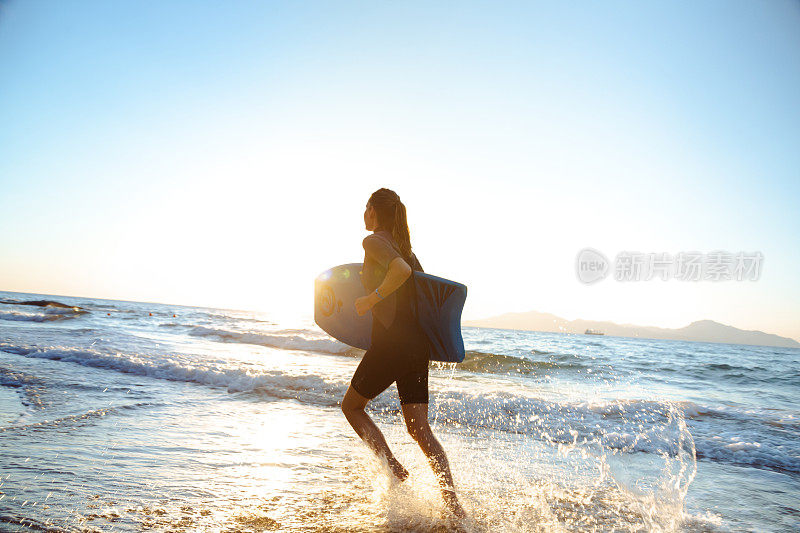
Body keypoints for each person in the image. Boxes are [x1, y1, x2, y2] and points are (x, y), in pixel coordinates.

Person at [340, 187, 466, 519]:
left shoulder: (373, 242)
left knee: (351, 406)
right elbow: (425, 296)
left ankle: (393, 467)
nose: (363, 213)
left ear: (374, 211)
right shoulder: (408, 250)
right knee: (419, 428)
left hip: (392, 345)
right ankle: (454, 506)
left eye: (365, 206)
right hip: (416, 346)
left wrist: (371, 299)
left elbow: (402, 273)